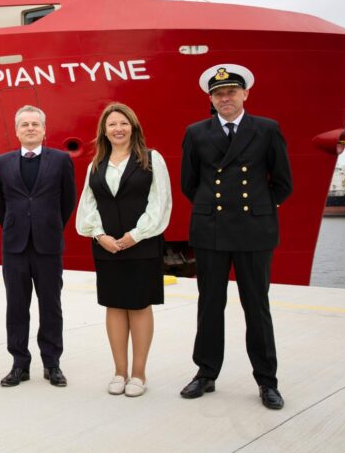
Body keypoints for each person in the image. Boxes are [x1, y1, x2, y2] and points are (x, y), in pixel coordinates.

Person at [179, 64, 293, 409]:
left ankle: (266, 381)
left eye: (230, 92)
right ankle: (206, 373)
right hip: (211, 228)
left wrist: (258, 207)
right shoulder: (197, 132)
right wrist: (214, 209)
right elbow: (190, 183)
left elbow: (283, 183)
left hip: (253, 231)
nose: (224, 98)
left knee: (257, 307)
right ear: (210, 100)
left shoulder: (267, 129)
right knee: (209, 305)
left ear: (245, 94)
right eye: (218, 94)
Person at [76, 102, 171, 397]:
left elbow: (160, 202)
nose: (118, 129)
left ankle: (139, 374)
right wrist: (99, 234)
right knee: (114, 306)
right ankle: (119, 371)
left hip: (142, 245)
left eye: (123, 123)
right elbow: (88, 204)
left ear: (134, 127)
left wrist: (136, 234)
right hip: (106, 247)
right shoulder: (96, 164)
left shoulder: (152, 159)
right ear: (104, 131)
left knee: (140, 306)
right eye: (112, 124)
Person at [0, 105, 76, 387]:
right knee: (16, 306)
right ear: (16, 131)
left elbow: (67, 201)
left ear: (43, 129)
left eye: (35, 124)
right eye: (24, 124)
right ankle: (19, 364)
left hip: (48, 245)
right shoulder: (2, 163)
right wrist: (16, 225)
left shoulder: (61, 160)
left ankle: (52, 364)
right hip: (14, 246)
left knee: (51, 305)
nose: (30, 128)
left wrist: (48, 225)